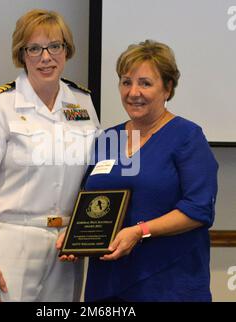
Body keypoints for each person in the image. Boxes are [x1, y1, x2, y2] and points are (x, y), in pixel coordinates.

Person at [0, 9, 100, 302]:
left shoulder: (83, 102)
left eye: (55, 46)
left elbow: (92, 178)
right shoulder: (0, 105)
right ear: (22, 54)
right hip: (13, 239)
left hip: (66, 245)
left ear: (66, 51)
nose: (46, 57)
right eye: (35, 48)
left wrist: (82, 231)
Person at [82, 40, 218, 301]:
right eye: (126, 82)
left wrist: (139, 231)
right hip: (107, 282)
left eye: (145, 83)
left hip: (169, 284)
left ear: (167, 88)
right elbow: (89, 202)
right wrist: (75, 238)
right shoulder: (108, 139)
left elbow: (199, 209)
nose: (133, 92)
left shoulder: (187, 136)